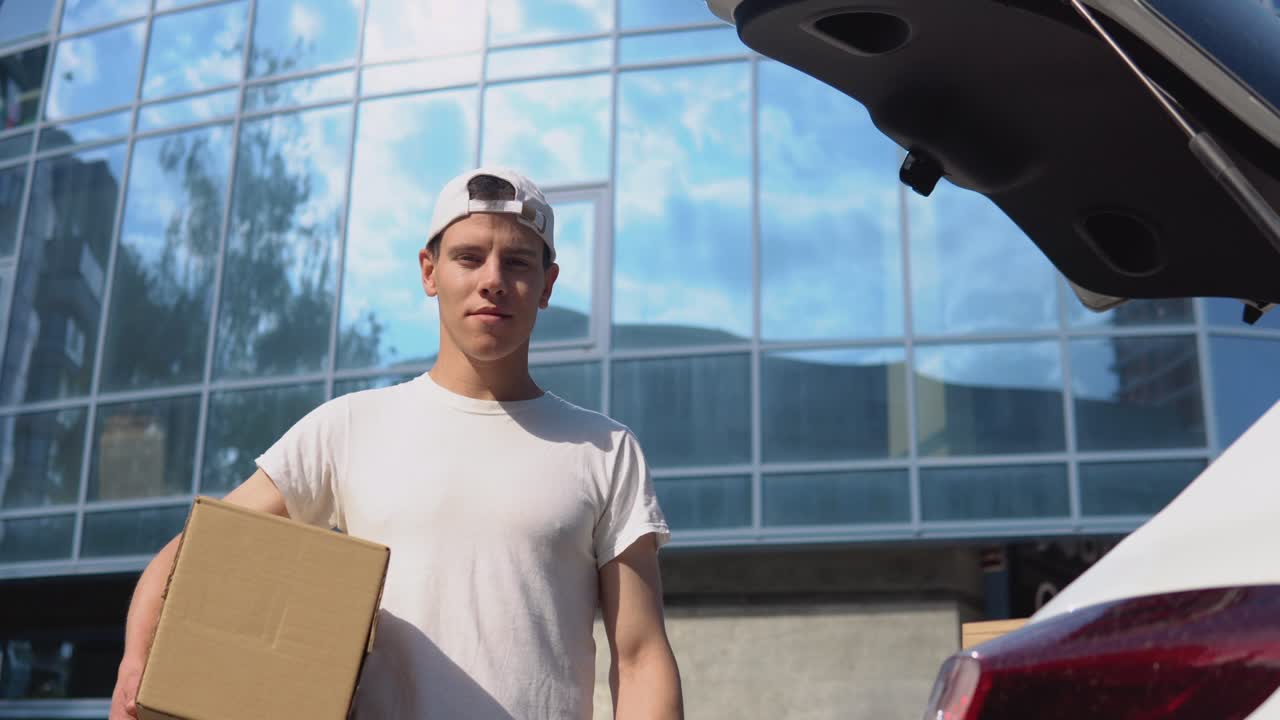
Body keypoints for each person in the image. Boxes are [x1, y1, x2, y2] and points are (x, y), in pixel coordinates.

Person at [109, 168, 684, 719]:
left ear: (546, 285)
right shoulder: (350, 425)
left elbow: (638, 656)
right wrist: (137, 663)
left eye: (517, 262)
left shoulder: (605, 449)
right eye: (468, 257)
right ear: (429, 272)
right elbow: (197, 552)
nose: (492, 279)